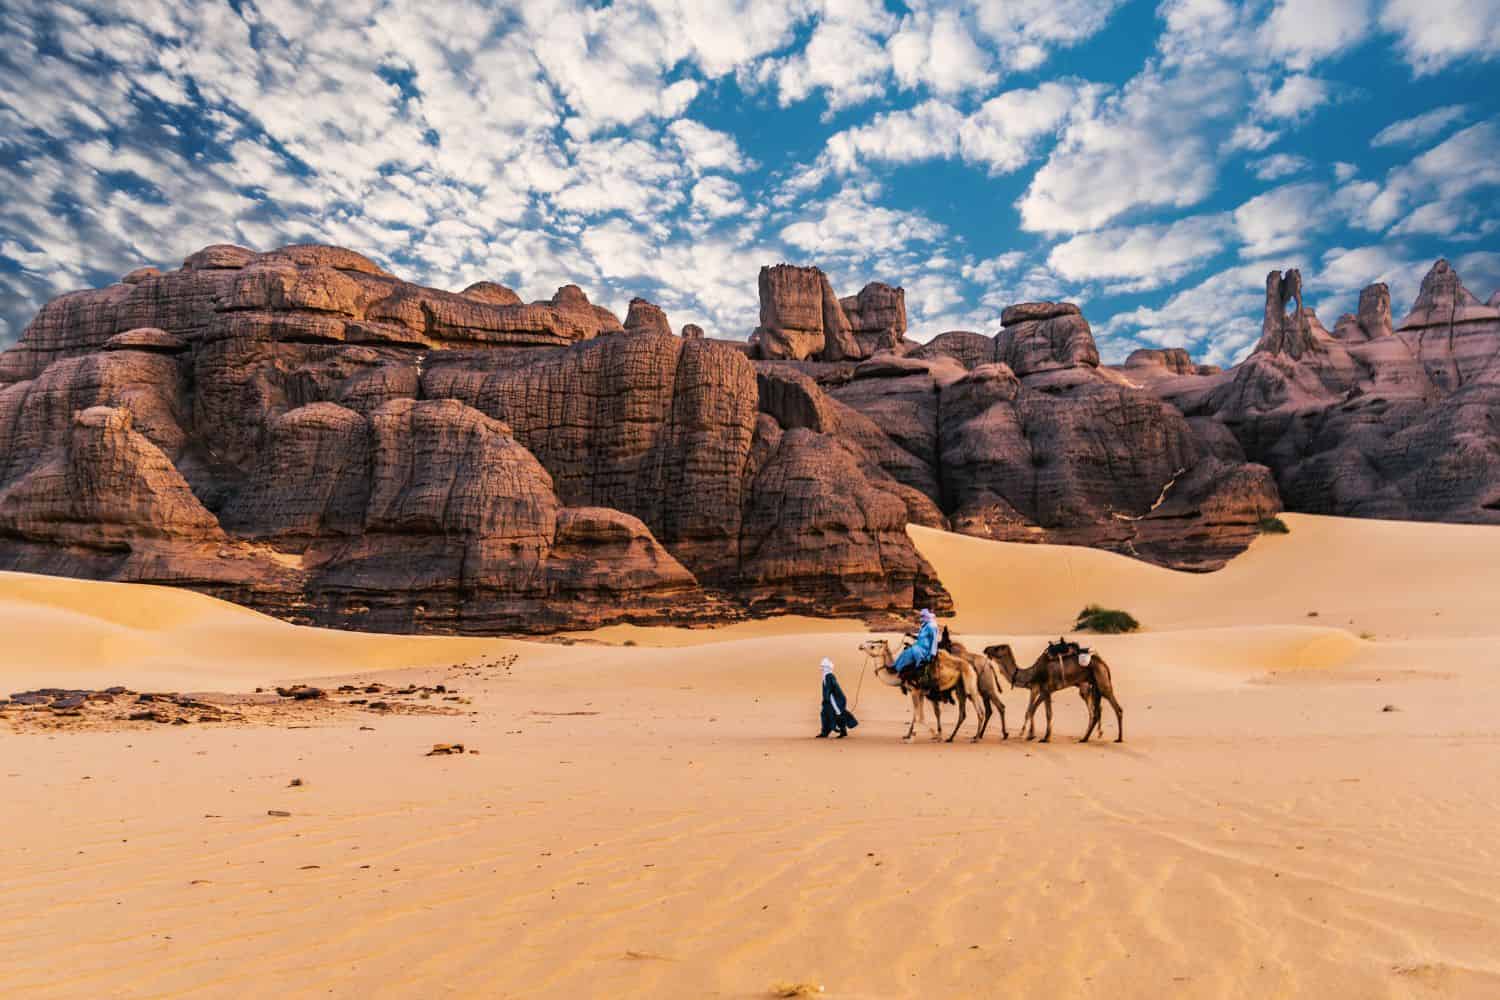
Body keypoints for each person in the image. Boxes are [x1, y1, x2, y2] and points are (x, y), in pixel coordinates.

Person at [892, 609, 940, 683]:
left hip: (925, 650)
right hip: (919, 646)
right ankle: (895, 666)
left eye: (923, 616)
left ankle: (902, 670)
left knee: (911, 652)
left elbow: (934, 640)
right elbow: (921, 638)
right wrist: (911, 635)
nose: (921, 618)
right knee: (906, 652)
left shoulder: (932, 626)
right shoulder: (924, 625)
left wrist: (932, 653)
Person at [817, 657, 858, 738]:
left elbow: (831, 692)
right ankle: (826, 732)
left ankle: (841, 731)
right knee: (826, 714)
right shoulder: (827, 676)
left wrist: (834, 706)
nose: (822, 668)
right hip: (831, 700)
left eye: (823, 667)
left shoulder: (828, 677)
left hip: (834, 700)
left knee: (837, 714)